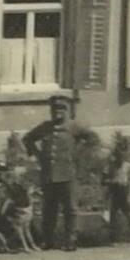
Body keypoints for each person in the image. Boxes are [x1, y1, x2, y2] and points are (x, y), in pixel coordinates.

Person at [18, 92, 92, 251]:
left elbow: (91, 139)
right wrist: (38, 155)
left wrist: (78, 154)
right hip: (49, 174)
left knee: (70, 208)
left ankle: (70, 240)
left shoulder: (74, 127)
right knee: (49, 209)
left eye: (62, 108)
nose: (58, 111)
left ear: (68, 110)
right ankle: (48, 240)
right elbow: (28, 139)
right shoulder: (45, 127)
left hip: (68, 173)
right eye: (54, 108)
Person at [101, 129, 130, 248]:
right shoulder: (110, 166)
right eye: (118, 154)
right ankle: (112, 239)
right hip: (114, 192)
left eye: (123, 154)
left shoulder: (127, 166)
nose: (121, 157)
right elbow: (103, 181)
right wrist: (111, 181)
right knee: (112, 217)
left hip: (124, 192)